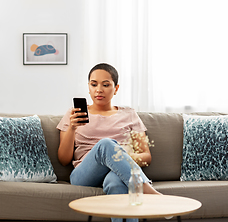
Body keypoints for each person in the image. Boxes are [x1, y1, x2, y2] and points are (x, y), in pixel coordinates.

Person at [56, 63, 161, 222]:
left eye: (106, 85)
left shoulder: (129, 114)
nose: (99, 89)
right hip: (84, 175)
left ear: (116, 88)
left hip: (117, 173)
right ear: (89, 87)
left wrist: (116, 159)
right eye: (94, 84)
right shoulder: (73, 114)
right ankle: (147, 190)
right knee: (105, 144)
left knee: (115, 182)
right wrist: (72, 128)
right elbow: (63, 160)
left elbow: (146, 156)